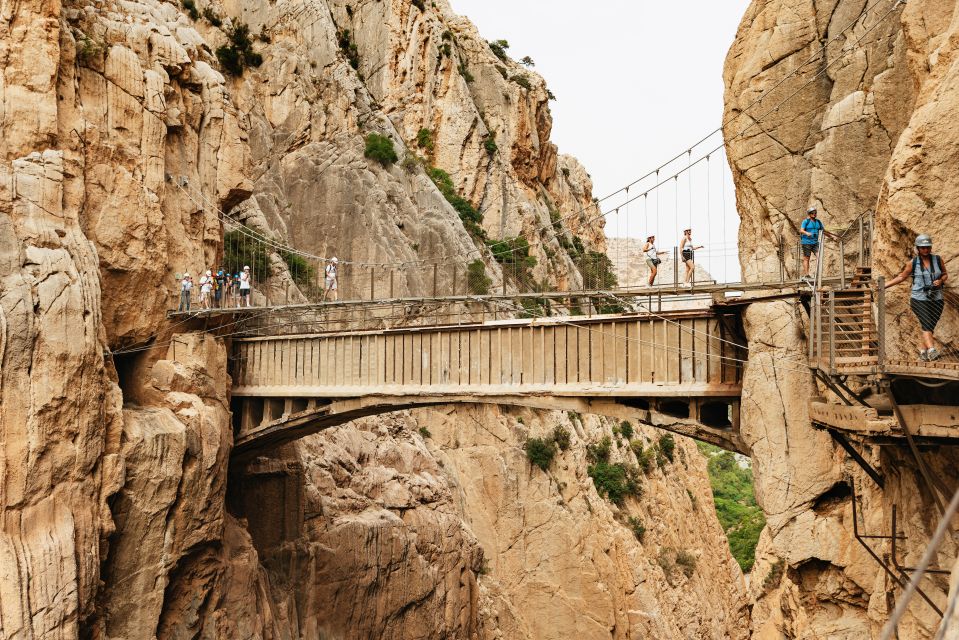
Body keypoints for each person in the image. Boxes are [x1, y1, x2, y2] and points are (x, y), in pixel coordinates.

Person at [884, 234, 949, 361]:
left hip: (937, 298)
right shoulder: (912, 263)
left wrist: (941, 281)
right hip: (919, 299)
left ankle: (922, 352)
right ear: (917, 248)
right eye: (922, 247)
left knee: (929, 326)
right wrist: (884, 285)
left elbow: (945, 274)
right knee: (926, 322)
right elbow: (902, 277)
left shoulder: (937, 260)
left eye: (927, 247)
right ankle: (932, 350)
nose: (925, 250)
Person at [800, 206, 825, 278]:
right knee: (807, 258)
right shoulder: (806, 221)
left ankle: (818, 273)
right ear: (809, 214)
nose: (814, 214)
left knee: (819, 256)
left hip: (815, 242)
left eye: (815, 213)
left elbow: (824, 231)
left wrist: (832, 237)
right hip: (806, 242)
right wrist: (807, 233)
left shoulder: (818, 222)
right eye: (812, 213)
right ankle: (807, 274)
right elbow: (801, 230)